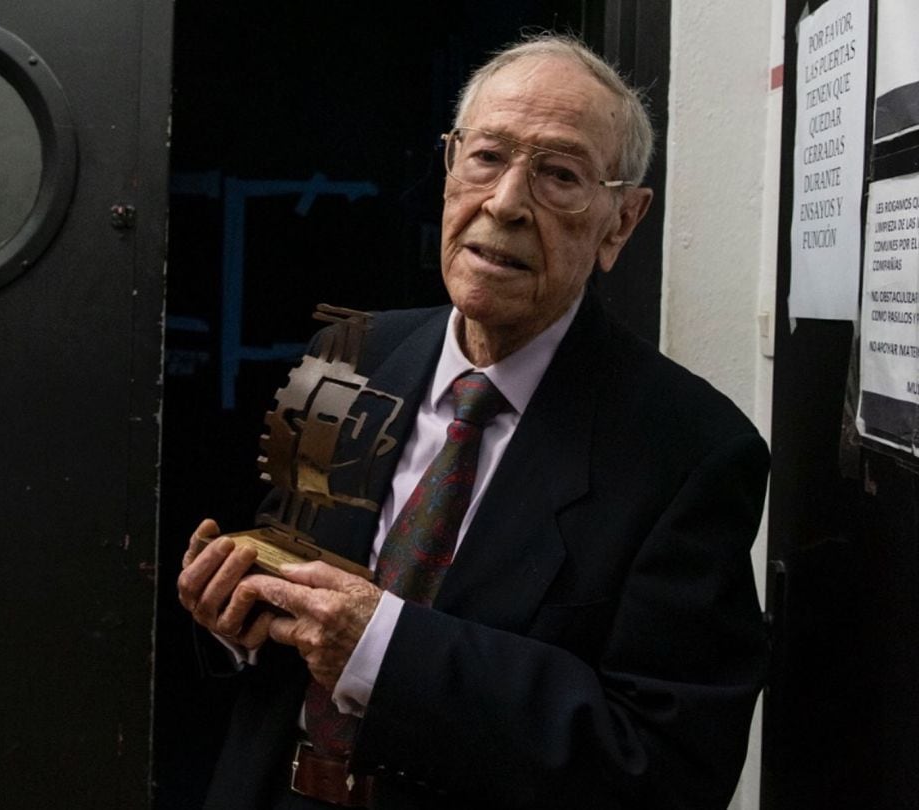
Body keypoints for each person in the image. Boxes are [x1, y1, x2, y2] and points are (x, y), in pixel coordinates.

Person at [178, 33, 770, 810]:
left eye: (559, 174)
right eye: (487, 157)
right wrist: (232, 621)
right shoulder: (344, 356)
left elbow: (662, 767)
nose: (505, 203)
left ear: (621, 222)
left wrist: (383, 651)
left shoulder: (693, 452)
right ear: (451, 168)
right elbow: (279, 574)